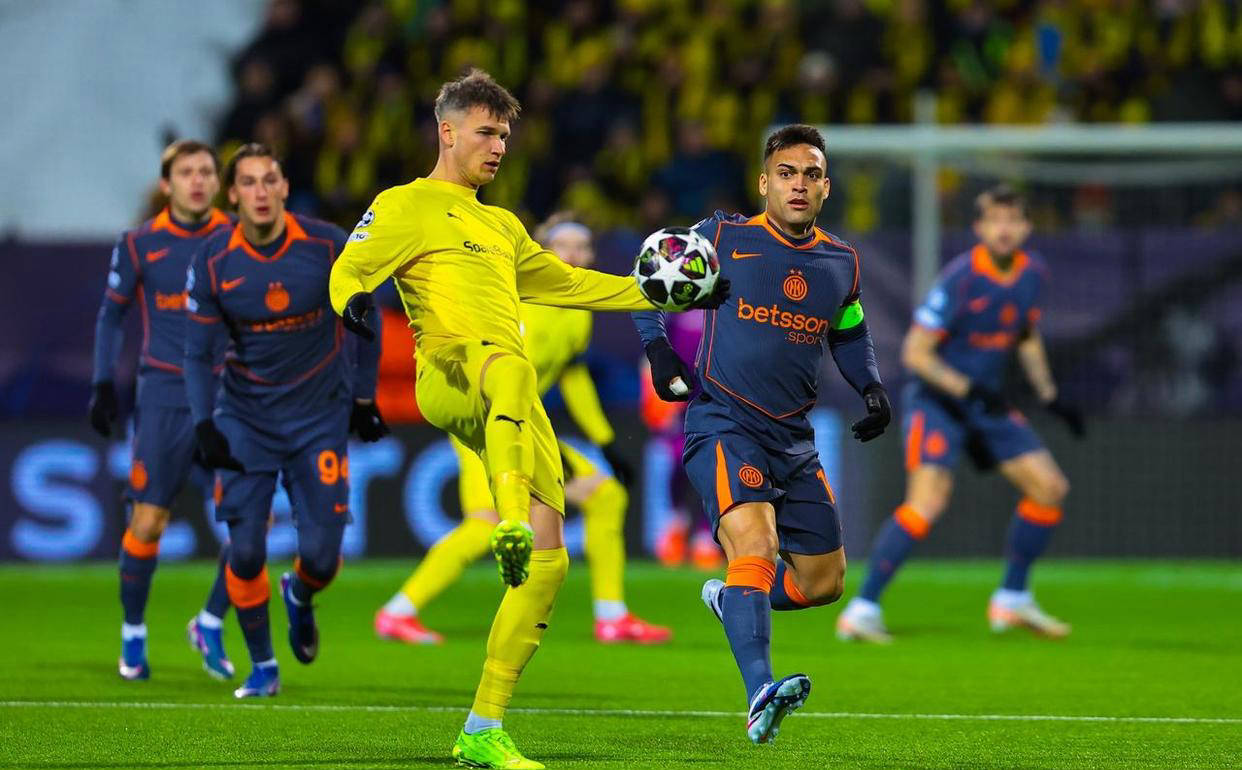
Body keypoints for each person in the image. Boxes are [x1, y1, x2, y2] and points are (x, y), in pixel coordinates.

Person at [328, 69, 722, 769]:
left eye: (506, 135)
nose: (499, 146)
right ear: (447, 132)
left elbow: (566, 284)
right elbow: (350, 268)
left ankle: (482, 727)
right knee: (512, 370)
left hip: (510, 396)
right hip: (449, 372)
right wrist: (351, 303)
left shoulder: (503, 225)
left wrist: (660, 293)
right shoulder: (404, 203)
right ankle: (504, 520)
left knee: (549, 561)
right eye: (487, 132)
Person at [633, 124, 891, 744]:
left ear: (826, 188)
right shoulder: (723, 236)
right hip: (725, 422)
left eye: (810, 175)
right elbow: (647, 279)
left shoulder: (841, 262)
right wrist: (659, 351)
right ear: (763, 182)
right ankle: (759, 694)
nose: (798, 184)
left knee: (823, 584)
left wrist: (871, 386)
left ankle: (734, 600)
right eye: (786, 173)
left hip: (794, 440)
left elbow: (849, 329)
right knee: (755, 545)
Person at [374, 214, 671, 646]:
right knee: (486, 523)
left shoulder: (576, 312)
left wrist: (605, 440)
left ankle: (612, 616)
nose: (573, 254)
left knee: (605, 496)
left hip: (524, 426)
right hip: (481, 422)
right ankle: (398, 612)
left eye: (582, 246)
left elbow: (572, 375)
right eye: (563, 245)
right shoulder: (517, 301)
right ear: (540, 251)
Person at [837, 185, 1084, 643]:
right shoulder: (961, 278)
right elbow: (915, 353)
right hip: (939, 403)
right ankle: (862, 608)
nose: (1004, 229)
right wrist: (967, 388)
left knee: (1049, 488)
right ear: (979, 228)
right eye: (995, 220)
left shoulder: (1033, 273)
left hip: (985, 403)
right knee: (926, 503)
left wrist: (1050, 395)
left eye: (1013, 220)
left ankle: (1012, 599)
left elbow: (1026, 334)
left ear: (1027, 227)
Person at [184, 143, 386, 698]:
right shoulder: (213, 260)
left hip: (318, 418)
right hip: (245, 420)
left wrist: (364, 399)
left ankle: (300, 592)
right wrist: (204, 423)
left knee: (321, 558)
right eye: (249, 183)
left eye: (269, 180)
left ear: (285, 187)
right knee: (246, 550)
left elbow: (368, 319)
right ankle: (263, 667)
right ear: (232, 195)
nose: (261, 192)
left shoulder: (327, 245)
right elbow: (197, 354)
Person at [90, 139, 237, 682]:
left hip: (228, 395)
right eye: (186, 172)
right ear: (166, 184)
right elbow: (111, 315)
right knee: (148, 522)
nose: (197, 181)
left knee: (251, 524)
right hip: (165, 396)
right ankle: (133, 633)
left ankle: (210, 621)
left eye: (206, 172)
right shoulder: (139, 244)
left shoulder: (238, 237)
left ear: (218, 183)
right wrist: (103, 383)